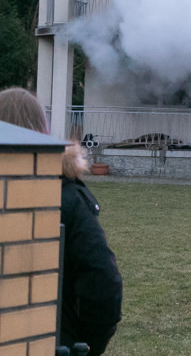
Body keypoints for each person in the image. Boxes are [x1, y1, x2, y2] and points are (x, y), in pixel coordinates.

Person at [0, 87, 123, 355]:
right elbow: (103, 285)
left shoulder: (65, 197)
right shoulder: (66, 196)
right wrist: (87, 344)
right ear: (41, 129)